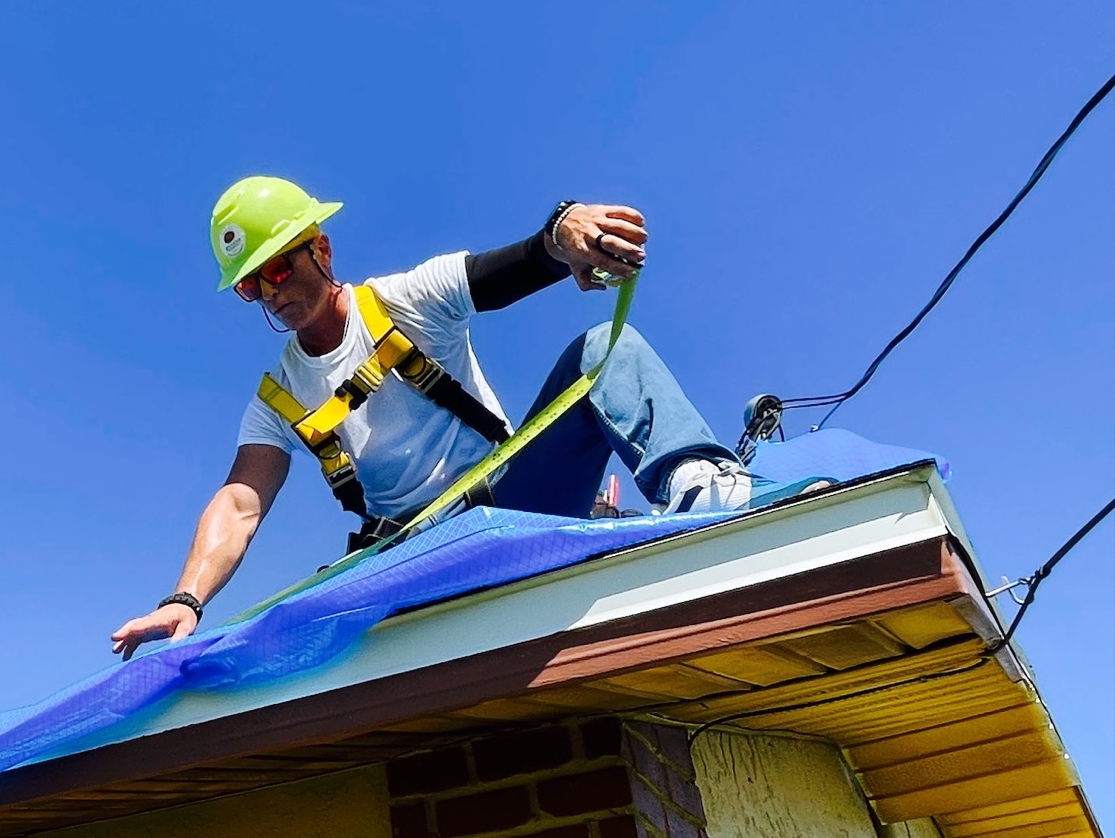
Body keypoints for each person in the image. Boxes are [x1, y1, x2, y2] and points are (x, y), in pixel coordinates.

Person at [110, 178, 752, 658]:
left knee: (604, 350)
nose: (272, 291)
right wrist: (184, 599)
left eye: (278, 266)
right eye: (252, 285)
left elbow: (527, 260)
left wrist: (567, 230)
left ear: (322, 250)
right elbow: (240, 502)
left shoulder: (408, 299)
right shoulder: (279, 396)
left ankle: (701, 490)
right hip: (412, 552)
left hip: (512, 502)